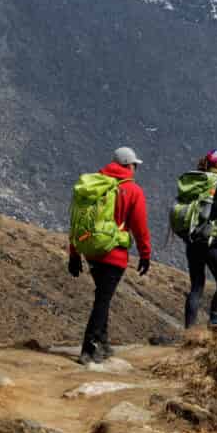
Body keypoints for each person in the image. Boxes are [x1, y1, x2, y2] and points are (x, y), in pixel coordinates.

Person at [68, 145, 152, 364]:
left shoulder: (94, 186)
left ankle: (103, 344)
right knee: (102, 300)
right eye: (135, 165)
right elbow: (139, 226)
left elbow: (78, 220)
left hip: (91, 251)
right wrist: (145, 254)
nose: (136, 169)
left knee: (102, 295)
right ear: (129, 165)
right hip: (113, 254)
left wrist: (74, 253)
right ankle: (89, 349)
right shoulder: (133, 190)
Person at [170, 149, 217, 333]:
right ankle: (215, 325)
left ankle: (189, 330)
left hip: (192, 241)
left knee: (197, 286)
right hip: (212, 241)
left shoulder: (195, 182)